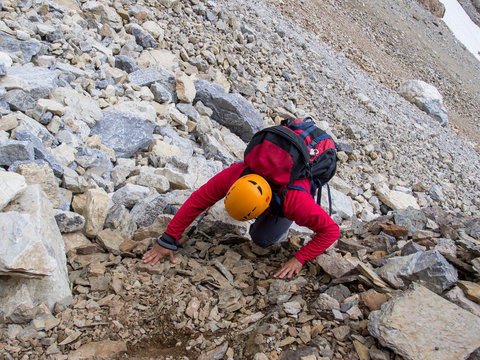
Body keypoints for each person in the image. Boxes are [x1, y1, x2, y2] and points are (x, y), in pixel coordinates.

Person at [142, 160, 340, 279]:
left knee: (262, 238)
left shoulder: (296, 202)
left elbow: (331, 231)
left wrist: (299, 259)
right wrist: (168, 239)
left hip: (292, 187)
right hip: (265, 179)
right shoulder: (236, 174)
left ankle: (274, 221)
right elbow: (198, 200)